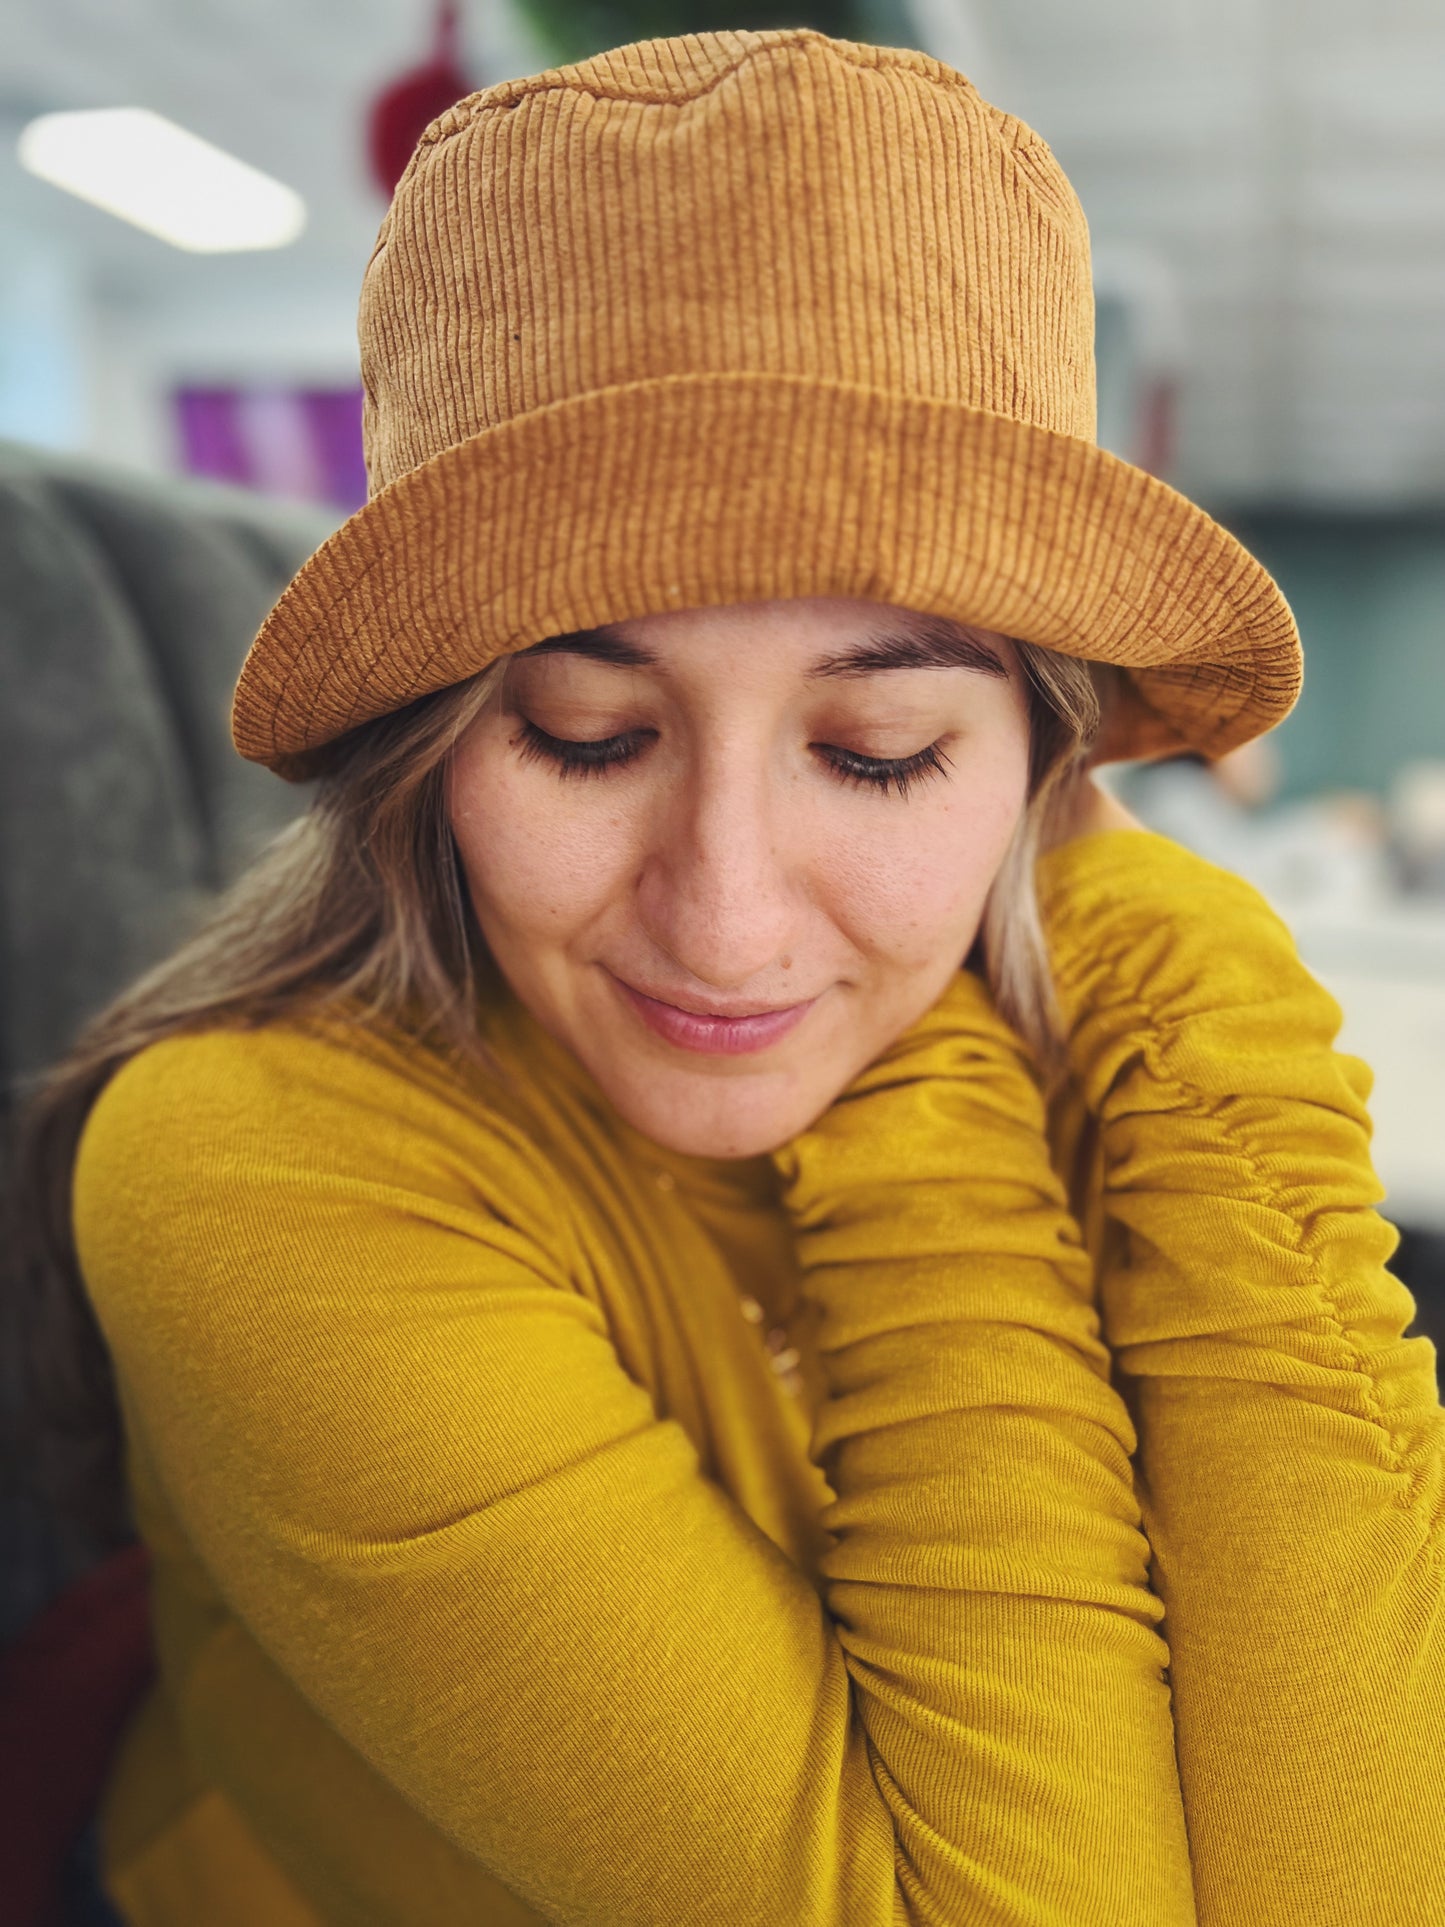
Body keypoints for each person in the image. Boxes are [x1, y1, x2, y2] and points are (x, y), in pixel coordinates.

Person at [12, 28, 1442, 1927]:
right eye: (590, 733)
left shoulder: (1129, 1005)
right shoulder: (236, 1166)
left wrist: (1168, 963)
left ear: (1043, 761)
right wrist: (934, 1074)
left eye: (875, 756)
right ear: (423, 753)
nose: (728, 922)